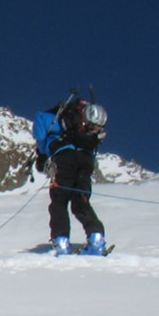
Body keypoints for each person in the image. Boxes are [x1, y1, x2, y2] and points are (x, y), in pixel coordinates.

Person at [39, 97, 109, 255]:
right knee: (81, 201)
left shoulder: (68, 119)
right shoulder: (86, 126)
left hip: (65, 157)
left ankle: (61, 242)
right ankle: (96, 240)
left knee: (59, 200)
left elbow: (48, 138)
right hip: (86, 160)